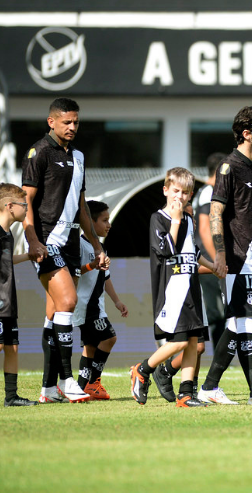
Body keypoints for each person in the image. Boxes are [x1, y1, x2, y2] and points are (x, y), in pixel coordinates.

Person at [197, 105, 252, 406]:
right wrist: (220, 254)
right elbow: (215, 212)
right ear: (246, 134)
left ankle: (209, 387)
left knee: (237, 325)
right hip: (236, 258)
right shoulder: (228, 166)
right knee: (245, 324)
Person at [22, 98, 106, 404]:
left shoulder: (80, 156)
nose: (72, 127)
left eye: (76, 122)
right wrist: (32, 239)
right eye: (66, 122)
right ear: (51, 122)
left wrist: (97, 246)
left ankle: (47, 389)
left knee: (53, 313)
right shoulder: (39, 152)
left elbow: (81, 205)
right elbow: (26, 200)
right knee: (68, 301)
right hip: (46, 240)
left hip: (71, 243)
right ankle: (68, 381)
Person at [129, 168, 216, 407]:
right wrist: (176, 220)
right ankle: (143, 369)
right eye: (176, 190)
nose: (180, 196)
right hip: (173, 292)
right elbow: (167, 249)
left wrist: (213, 266)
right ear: (166, 190)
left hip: (191, 289)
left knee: (193, 342)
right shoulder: (159, 218)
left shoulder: (188, 219)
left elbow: (192, 251)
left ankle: (186, 393)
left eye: (186, 192)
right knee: (177, 342)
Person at [74, 200, 128, 400]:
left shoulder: (100, 247)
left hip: (97, 305)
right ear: (90, 222)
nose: (109, 224)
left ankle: (82, 387)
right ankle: (94, 382)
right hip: (85, 305)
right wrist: (91, 265)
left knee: (91, 345)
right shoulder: (79, 244)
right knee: (109, 338)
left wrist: (117, 301)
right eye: (104, 220)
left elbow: (105, 277)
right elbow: (73, 272)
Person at [0, 184, 38, 406]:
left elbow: (6, 261)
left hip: (8, 299)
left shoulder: (7, 234)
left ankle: (11, 397)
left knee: (12, 346)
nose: (26, 209)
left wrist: (28, 256)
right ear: (9, 206)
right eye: (24, 205)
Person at [194, 152, 227, 348]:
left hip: (210, 262)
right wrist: (217, 261)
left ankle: (221, 356)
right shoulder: (209, 192)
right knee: (216, 313)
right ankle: (219, 356)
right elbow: (205, 229)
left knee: (220, 313)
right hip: (208, 262)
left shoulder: (206, 191)